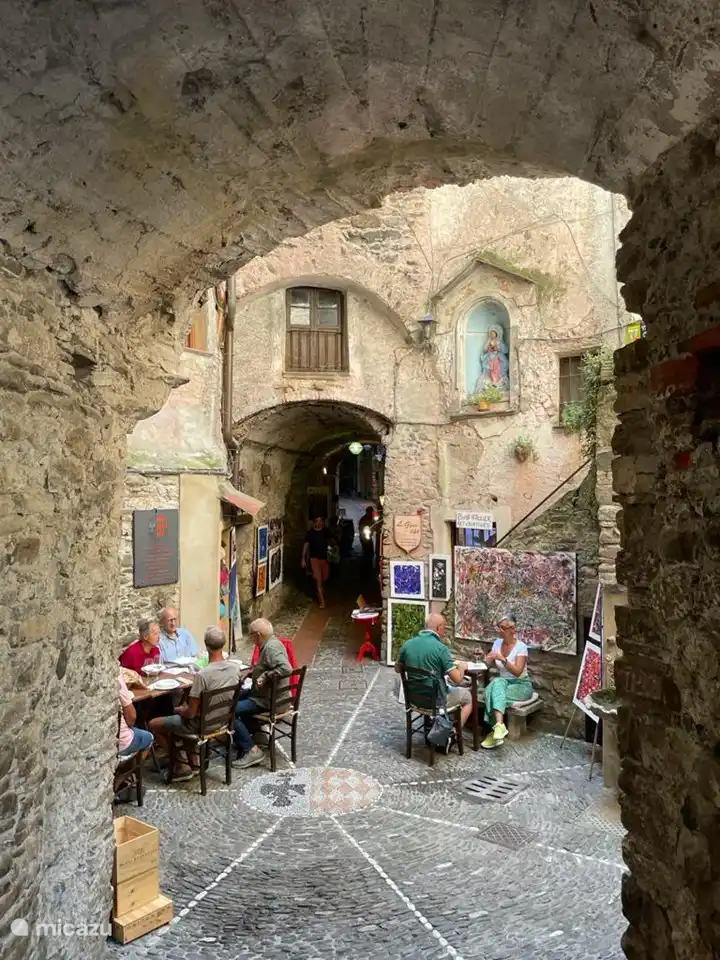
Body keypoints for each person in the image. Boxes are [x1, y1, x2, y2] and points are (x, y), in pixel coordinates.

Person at [149, 626, 242, 781]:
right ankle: (194, 760)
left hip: (200, 725)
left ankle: (181, 764)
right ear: (223, 644)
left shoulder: (203, 675)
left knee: (153, 724)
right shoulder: (235, 668)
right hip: (222, 721)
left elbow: (190, 713)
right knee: (183, 719)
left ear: (206, 646)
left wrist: (179, 710)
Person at [395, 614, 473, 732]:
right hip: (435, 700)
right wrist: (461, 667)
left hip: (413, 698)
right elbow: (457, 679)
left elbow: (397, 668)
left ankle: (434, 724)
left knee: (440, 684)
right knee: (467, 697)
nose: (444, 631)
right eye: (444, 628)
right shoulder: (440, 649)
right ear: (438, 628)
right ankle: (453, 733)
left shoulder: (408, 644)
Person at [234, 618, 292, 769]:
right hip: (265, 695)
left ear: (258, 635)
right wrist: (253, 672)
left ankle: (252, 750)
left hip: (267, 700)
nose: (252, 639)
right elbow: (266, 665)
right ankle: (255, 733)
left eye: (252, 635)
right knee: (234, 698)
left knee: (228, 711)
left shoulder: (270, 648)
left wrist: (266, 676)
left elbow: (286, 669)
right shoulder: (273, 643)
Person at [479, 614, 533, 749]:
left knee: (490, 692)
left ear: (513, 629)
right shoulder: (497, 643)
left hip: (521, 685)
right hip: (503, 683)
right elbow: (487, 665)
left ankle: (494, 731)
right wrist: (485, 657)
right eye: (499, 627)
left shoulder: (521, 647)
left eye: (503, 628)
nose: (500, 630)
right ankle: (499, 726)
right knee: (496, 684)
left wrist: (503, 659)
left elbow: (517, 671)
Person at [118, 672, 154, 757]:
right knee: (150, 737)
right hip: (121, 744)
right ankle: (136, 768)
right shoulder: (115, 676)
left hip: (101, 743)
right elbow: (131, 719)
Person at [302, 517, 331, 608]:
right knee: (318, 580)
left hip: (325, 559)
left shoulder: (326, 532)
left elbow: (332, 541)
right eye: (317, 521)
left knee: (324, 579)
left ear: (323, 522)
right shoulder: (310, 533)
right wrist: (303, 559)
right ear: (314, 522)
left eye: (321, 521)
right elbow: (306, 546)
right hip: (314, 559)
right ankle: (322, 602)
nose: (319, 523)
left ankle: (319, 592)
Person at [359, 505, 376, 572]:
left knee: (370, 552)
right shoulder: (363, 519)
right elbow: (361, 528)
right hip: (364, 537)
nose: (371, 513)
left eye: (371, 512)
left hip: (368, 537)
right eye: (370, 512)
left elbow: (374, 525)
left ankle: (369, 566)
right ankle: (365, 567)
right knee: (366, 552)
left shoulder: (371, 518)